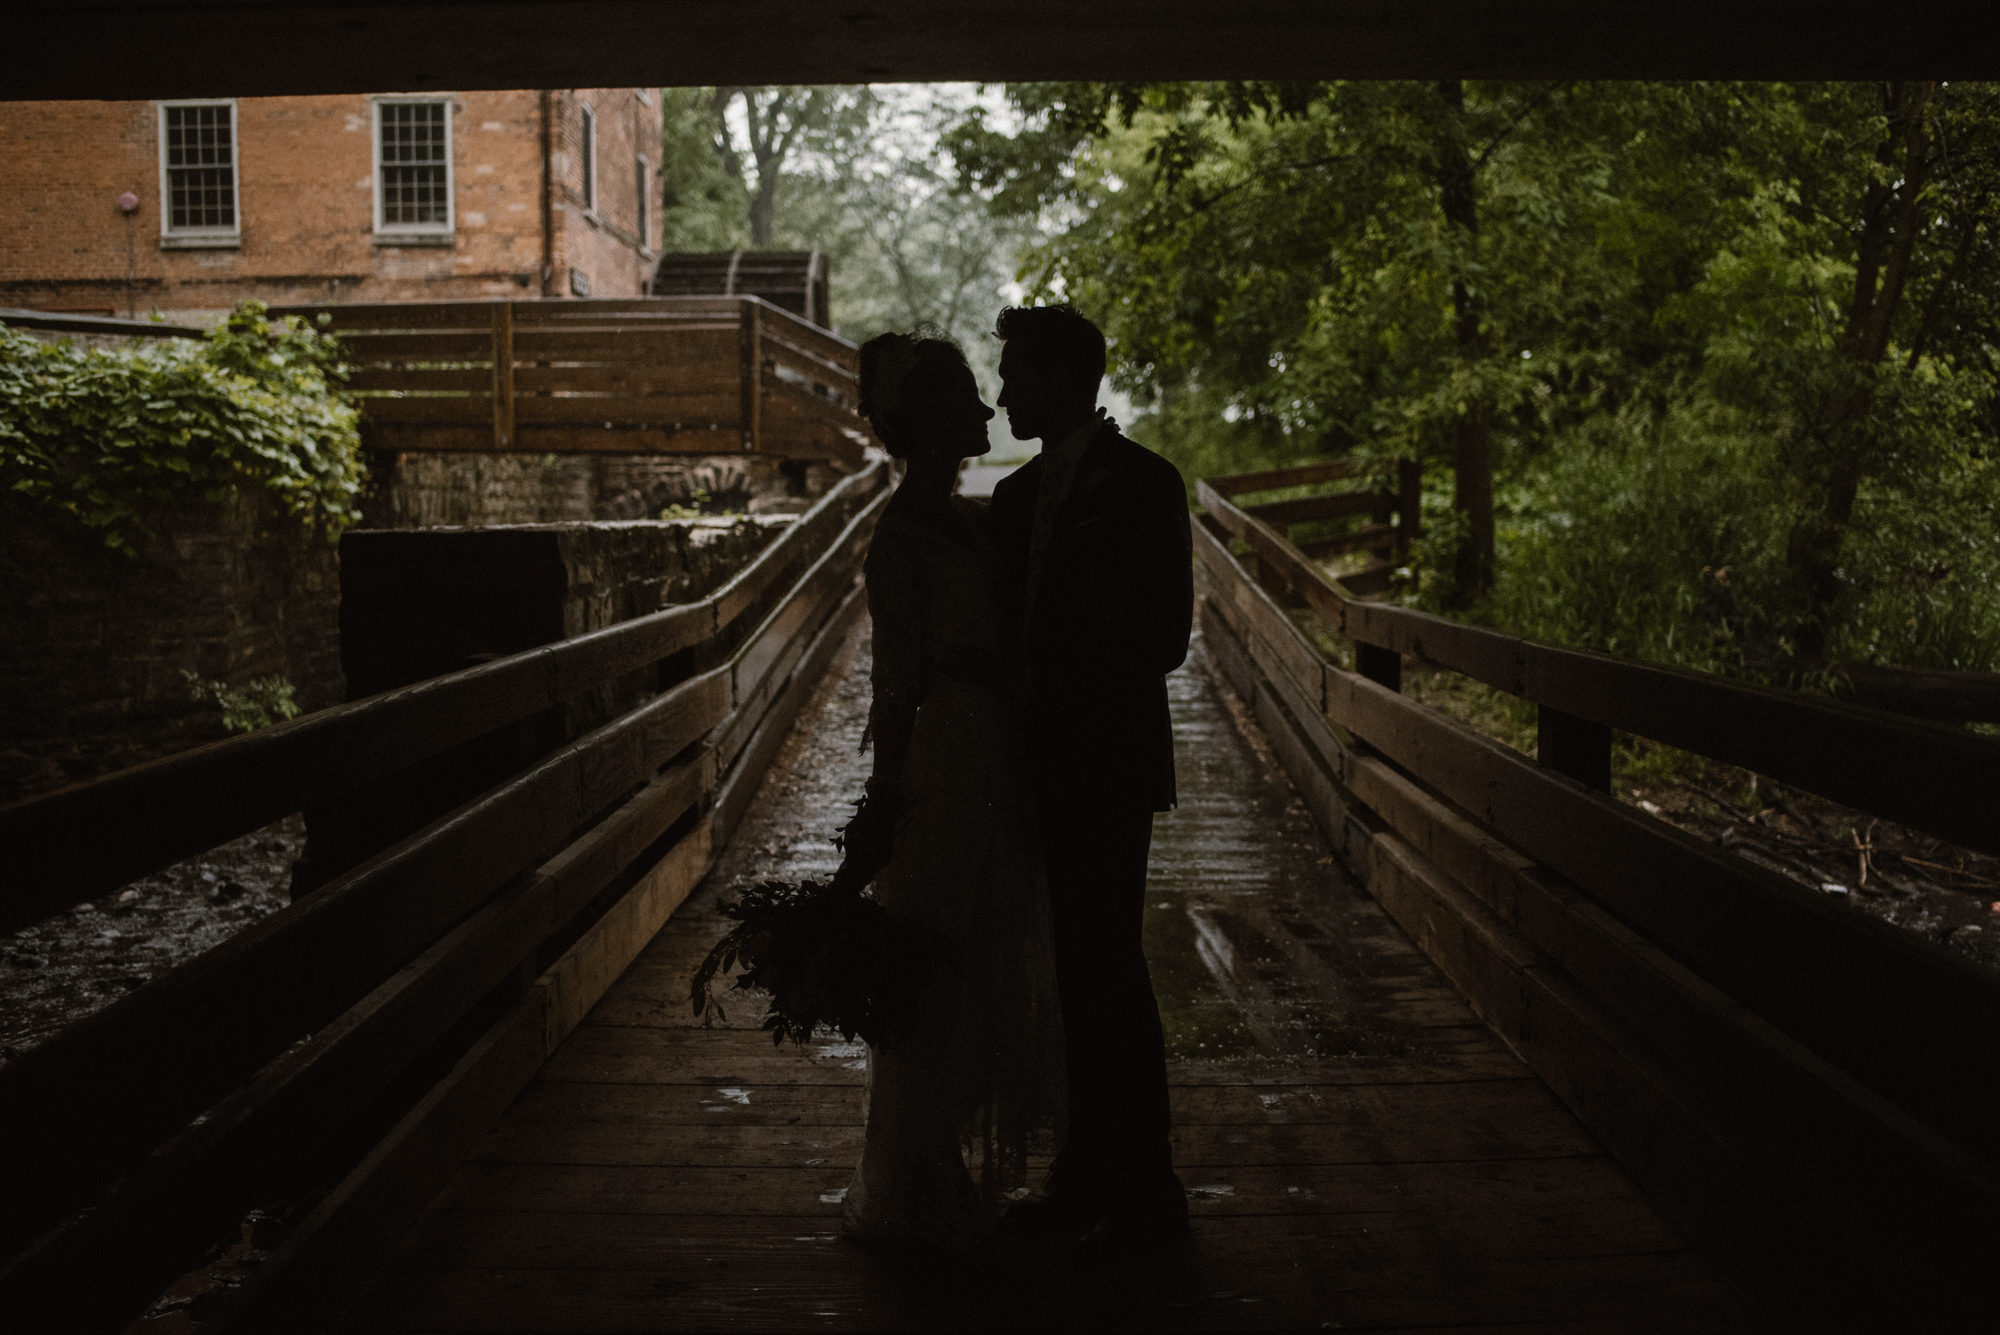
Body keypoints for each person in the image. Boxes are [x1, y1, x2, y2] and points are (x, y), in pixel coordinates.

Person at [835, 328, 1066, 1250]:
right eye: (969, 396)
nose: (984, 409)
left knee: (985, 951)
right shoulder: (900, 538)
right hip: (950, 759)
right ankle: (917, 1174)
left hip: (995, 750)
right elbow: (896, 684)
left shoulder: (966, 517)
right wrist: (884, 804)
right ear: (931, 419)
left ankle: (943, 1163)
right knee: (941, 958)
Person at [986, 304, 1193, 1264]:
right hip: (1028, 767)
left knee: (1108, 967)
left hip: (1106, 764)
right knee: (1073, 971)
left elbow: (1165, 638)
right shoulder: (1017, 498)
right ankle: (1088, 1172)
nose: (1002, 393)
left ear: (1067, 376)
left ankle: (1145, 1184)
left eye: (1018, 374)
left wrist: (1062, 679)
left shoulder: (1147, 486)